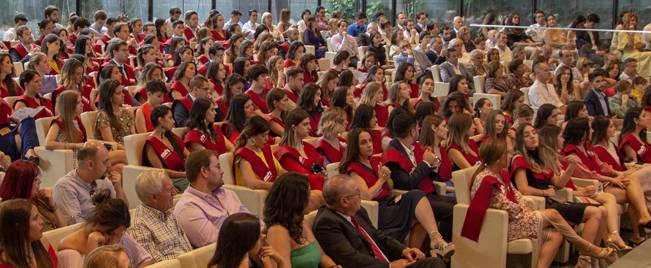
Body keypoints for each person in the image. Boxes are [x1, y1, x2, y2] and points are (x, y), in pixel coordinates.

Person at [461, 139, 616, 267]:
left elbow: (516, 194)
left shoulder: (501, 173)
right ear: (497, 159)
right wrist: (525, 211)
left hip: (517, 220)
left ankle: (584, 250)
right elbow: (503, 205)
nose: (509, 157)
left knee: (555, 235)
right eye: (506, 154)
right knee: (554, 214)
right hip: (502, 225)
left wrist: (524, 208)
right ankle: (587, 248)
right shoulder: (485, 179)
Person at [339, 129, 454, 256]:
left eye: (370, 141)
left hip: (389, 202)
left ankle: (434, 239)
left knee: (416, 194)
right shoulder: (353, 169)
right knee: (416, 204)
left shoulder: (374, 161)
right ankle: (428, 246)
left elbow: (390, 187)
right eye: (364, 142)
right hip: (377, 210)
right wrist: (381, 180)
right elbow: (366, 196)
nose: (369, 145)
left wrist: (387, 178)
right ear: (355, 146)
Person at [313, 174, 446, 268]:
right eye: (357, 194)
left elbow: (378, 236)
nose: (361, 198)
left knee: (434, 263)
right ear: (344, 201)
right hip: (376, 266)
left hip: (385, 261)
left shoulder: (358, 211)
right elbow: (351, 259)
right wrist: (389, 266)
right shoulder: (327, 223)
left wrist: (404, 250)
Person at [382, 112, 456, 242]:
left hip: (426, 193)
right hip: (410, 199)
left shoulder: (413, 147)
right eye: (417, 128)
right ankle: (442, 250)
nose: (419, 130)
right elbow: (407, 183)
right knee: (452, 211)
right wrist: (426, 163)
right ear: (411, 131)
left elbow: (426, 173)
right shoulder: (392, 154)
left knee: (458, 204)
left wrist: (432, 165)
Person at [174, 149, 252, 248]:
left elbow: (251, 220)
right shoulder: (187, 208)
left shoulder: (228, 193)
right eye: (218, 167)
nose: (222, 171)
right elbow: (215, 244)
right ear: (204, 171)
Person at [264, 173, 338, 268]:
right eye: (308, 195)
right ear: (296, 201)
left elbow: (322, 256)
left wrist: (333, 266)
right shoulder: (277, 232)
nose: (311, 198)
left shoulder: (301, 222)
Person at [58, 198, 152, 268]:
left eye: (119, 234)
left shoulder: (117, 234)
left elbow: (145, 260)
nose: (114, 242)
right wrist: (92, 246)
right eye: (111, 234)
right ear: (95, 223)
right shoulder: (70, 253)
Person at [53, 141, 128, 225]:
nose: (109, 165)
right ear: (90, 165)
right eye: (105, 162)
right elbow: (75, 225)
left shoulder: (103, 179)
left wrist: (119, 189)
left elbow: (124, 213)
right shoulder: (65, 187)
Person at [127, 171, 192, 262]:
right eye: (169, 190)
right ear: (154, 197)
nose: (174, 193)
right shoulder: (139, 226)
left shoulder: (167, 211)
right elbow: (155, 265)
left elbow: (186, 248)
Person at [0, 159, 66, 232]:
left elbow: (64, 228)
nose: (40, 182)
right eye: (35, 179)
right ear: (23, 183)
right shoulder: (12, 211)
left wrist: (53, 206)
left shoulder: (39, 199)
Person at [275, 108, 327, 195]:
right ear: (294, 127)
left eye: (309, 124)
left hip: (318, 187)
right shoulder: (285, 154)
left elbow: (321, 169)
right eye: (305, 124)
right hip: (301, 192)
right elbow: (303, 178)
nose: (309, 127)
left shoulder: (309, 147)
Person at [208, 213, 283, 268]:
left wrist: (280, 262)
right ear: (246, 242)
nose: (263, 236)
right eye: (258, 235)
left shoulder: (255, 258)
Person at [0, 199, 58, 267]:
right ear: (18, 227)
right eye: (35, 218)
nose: (42, 222)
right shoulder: (3, 262)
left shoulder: (43, 242)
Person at [144, 105, 189, 191]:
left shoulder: (171, 136)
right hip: (169, 180)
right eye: (170, 118)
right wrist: (184, 174)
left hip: (184, 174)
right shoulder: (151, 143)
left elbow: (188, 155)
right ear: (160, 120)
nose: (174, 121)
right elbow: (161, 171)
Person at [234, 116, 283, 189]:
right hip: (256, 197)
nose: (267, 139)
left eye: (267, 134)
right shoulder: (243, 157)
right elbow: (253, 184)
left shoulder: (264, 150)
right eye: (263, 136)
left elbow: (281, 172)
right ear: (252, 137)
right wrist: (279, 186)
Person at [95, 79, 135, 145]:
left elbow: (133, 136)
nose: (123, 95)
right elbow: (110, 143)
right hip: (114, 150)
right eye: (118, 93)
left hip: (128, 147)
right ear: (110, 97)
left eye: (122, 92)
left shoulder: (127, 112)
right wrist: (128, 150)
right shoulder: (103, 115)